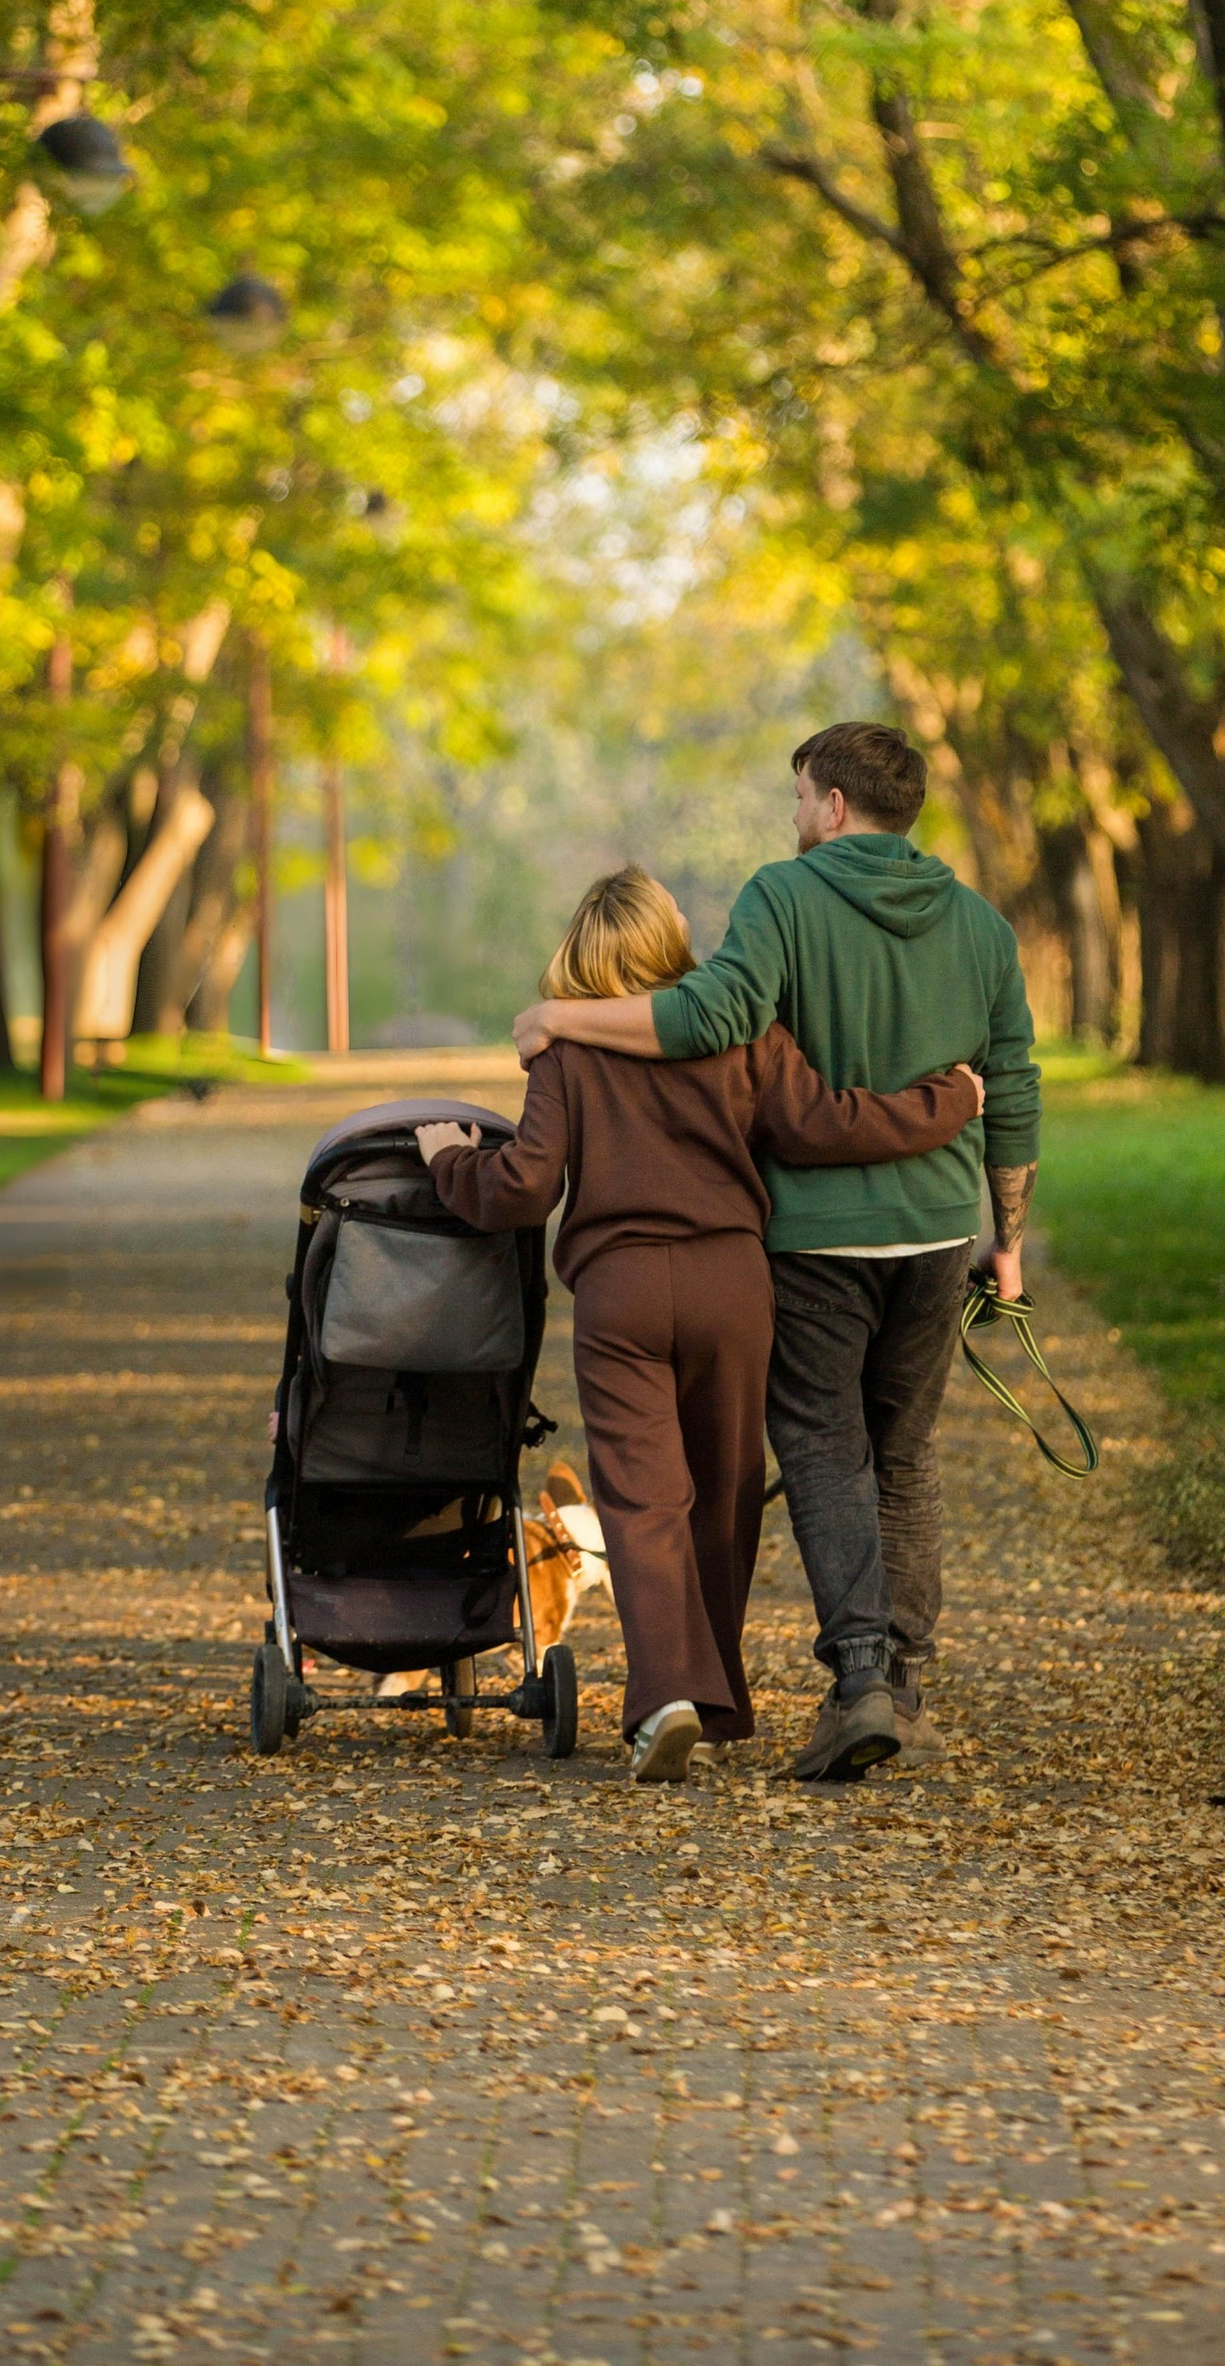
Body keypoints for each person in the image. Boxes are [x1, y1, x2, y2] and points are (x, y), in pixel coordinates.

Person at [513, 721, 1039, 1782]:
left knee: (820, 1451)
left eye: (800, 796)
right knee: (899, 1457)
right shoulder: (983, 928)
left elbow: (714, 1012)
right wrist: (1006, 1235)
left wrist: (559, 1017)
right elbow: (993, 1088)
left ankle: (851, 1683)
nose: (793, 816)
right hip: (931, 1234)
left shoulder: (781, 897)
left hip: (808, 1245)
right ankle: (904, 1680)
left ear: (834, 804)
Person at [417, 865, 981, 1785]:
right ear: (659, 940)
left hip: (621, 1294)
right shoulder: (738, 1034)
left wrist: (449, 1163)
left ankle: (664, 1699)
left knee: (643, 1501)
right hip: (732, 1285)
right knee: (723, 1490)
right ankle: (715, 1701)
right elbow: (828, 1125)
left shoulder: (565, 1055)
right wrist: (948, 1103)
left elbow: (521, 1189)